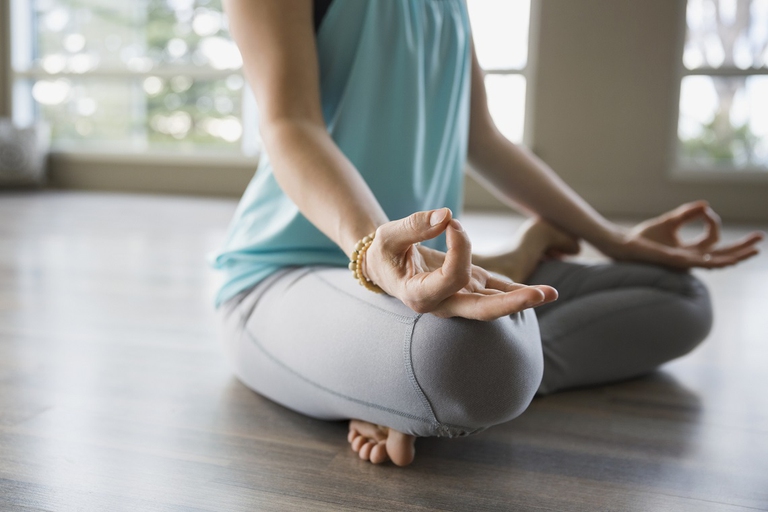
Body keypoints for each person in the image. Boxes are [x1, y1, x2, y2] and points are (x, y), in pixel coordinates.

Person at [212, 0, 763, 467]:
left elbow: (484, 139)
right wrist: (375, 250)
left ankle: (413, 385)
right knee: (478, 364)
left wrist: (613, 239)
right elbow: (291, 123)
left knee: (681, 297)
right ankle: (428, 373)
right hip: (283, 278)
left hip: (423, 279)